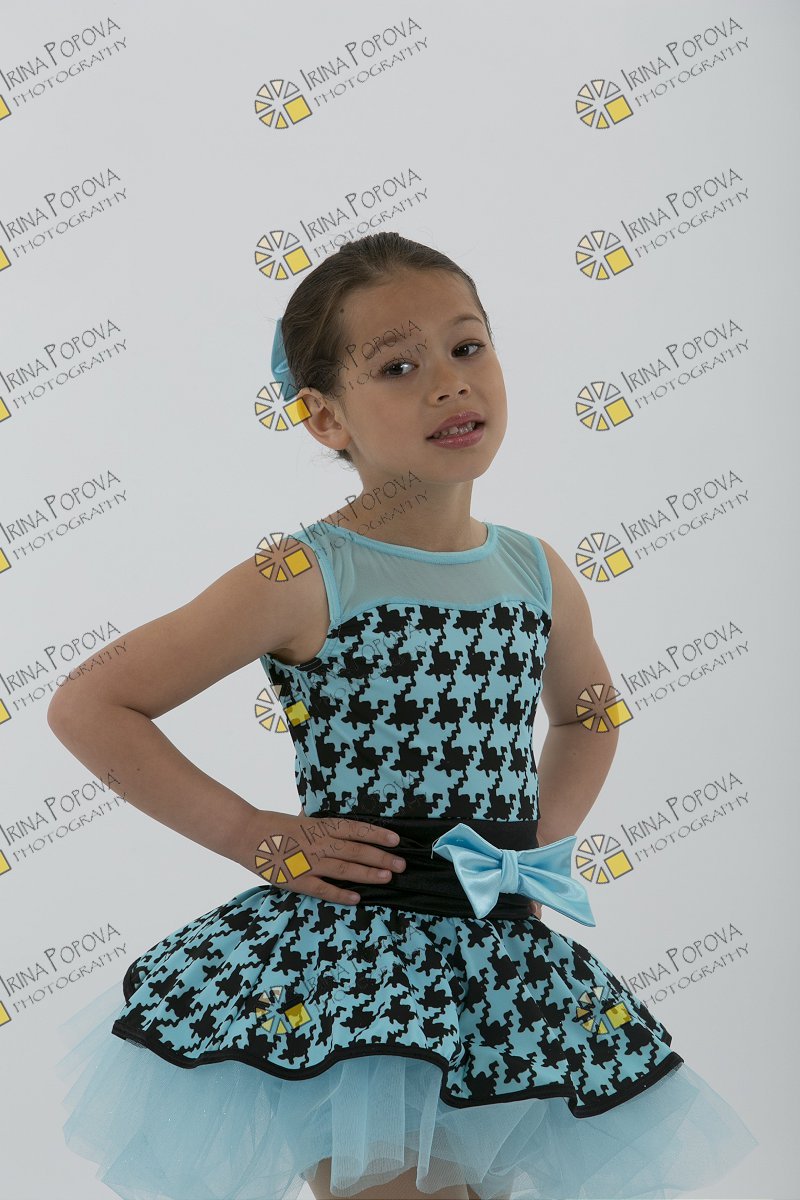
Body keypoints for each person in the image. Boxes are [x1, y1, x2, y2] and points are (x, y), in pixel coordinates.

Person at [50, 232, 759, 1200]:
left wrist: (525, 848)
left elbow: (590, 715)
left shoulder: (535, 570)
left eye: (466, 347)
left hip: (497, 961)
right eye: (397, 366)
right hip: (355, 960)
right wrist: (252, 835)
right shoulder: (304, 573)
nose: (447, 383)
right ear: (324, 418)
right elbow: (92, 702)